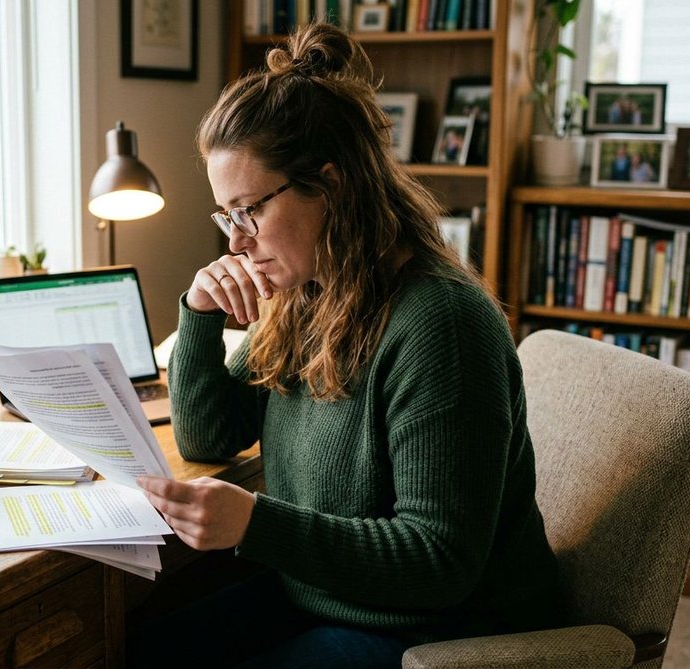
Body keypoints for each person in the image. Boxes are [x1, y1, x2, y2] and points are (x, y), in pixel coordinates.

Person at [130, 23, 561, 668]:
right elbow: (208, 438)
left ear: (328, 185)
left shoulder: (440, 324)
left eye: (249, 211)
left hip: (446, 632)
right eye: (227, 216)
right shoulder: (309, 294)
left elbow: (440, 561)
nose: (236, 244)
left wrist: (255, 525)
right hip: (328, 597)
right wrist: (198, 314)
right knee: (142, 650)